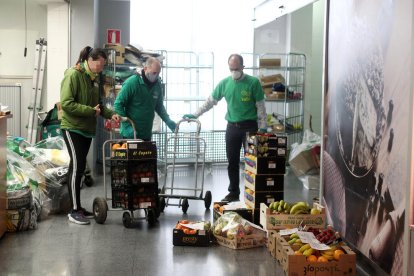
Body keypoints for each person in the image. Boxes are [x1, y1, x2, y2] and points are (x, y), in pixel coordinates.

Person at [184, 54, 267, 202]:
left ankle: (253, 194)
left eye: (236, 68)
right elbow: (210, 102)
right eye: (231, 69)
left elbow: (260, 106)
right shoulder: (225, 83)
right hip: (232, 128)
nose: (233, 71)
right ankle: (233, 192)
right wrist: (195, 114)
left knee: (253, 161)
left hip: (250, 127)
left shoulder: (253, 83)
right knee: (232, 162)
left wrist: (263, 127)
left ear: (242, 67)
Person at [60, 46, 120, 225]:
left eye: (103, 66)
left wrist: (111, 114)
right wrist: (89, 111)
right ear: (90, 60)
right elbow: (66, 103)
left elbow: (99, 104)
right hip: (72, 128)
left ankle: (78, 207)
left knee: (77, 169)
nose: (100, 69)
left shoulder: (94, 78)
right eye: (99, 65)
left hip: (86, 129)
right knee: (77, 168)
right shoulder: (73, 74)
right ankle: (73, 211)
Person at [113, 56, 176, 140]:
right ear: (146, 68)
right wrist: (127, 125)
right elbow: (118, 105)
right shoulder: (132, 83)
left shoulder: (157, 84)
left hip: (146, 133)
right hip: (130, 134)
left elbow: (159, 106)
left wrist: (168, 120)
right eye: (154, 73)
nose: (156, 76)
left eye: (158, 73)